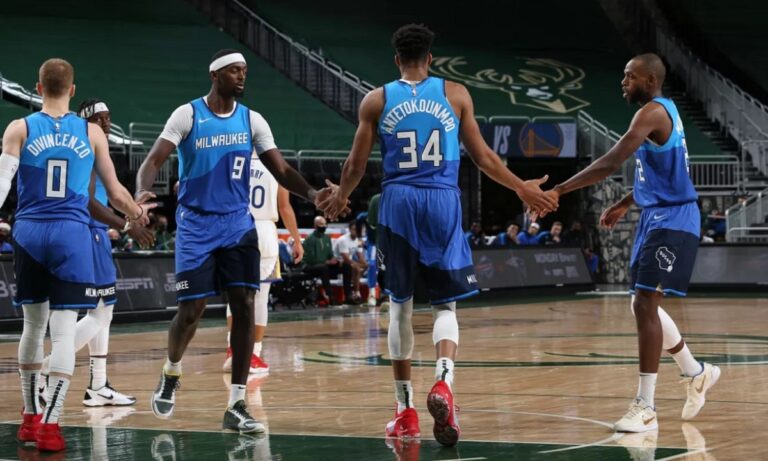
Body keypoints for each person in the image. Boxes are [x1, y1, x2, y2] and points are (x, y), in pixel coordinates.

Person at [319, 24, 556, 446]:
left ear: (397, 59)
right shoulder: (456, 94)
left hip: (398, 202)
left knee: (400, 307)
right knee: (445, 305)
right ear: (430, 58)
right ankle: (444, 383)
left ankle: (405, 412)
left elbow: (355, 166)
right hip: (443, 199)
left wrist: (341, 197)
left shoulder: (376, 100)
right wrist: (521, 187)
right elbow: (483, 157)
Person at [137, 49, 335, 433]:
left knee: (244, 305)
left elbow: (281, 169)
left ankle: (237, 403)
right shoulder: (188, 115)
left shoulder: (253, 120)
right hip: (196, 226)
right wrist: (141, 192)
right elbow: (153, 160)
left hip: (238, 225)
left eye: (244, 70)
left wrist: (313, 195)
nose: (242, 76)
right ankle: (172, 370)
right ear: (215, 75)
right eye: (234, 71)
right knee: (191, 311)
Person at [540, 53, 720, 432]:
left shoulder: (652, 113)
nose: (623, 82)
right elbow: (660, 173)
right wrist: (625, 202)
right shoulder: (658, 113)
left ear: (650, 80)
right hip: (656, 215)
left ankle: (646, 407)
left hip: (674, 218)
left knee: (644, 303)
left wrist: (559, 190)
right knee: (639, 303)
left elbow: (610, 162)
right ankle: (695, 371)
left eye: (630, 76)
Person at [3, 58, 151, 452]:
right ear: (71, 90)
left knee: (32, 327)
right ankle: (50, 427)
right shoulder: (91, 132)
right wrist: (136, 215)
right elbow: (115, 192)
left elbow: (1, 183)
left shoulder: (19, 128)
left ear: (38, 88)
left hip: (28, 232)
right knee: (64, 331)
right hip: (71, 235)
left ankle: (30, 418)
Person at [38, 98, 156, 409]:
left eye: (108, 117)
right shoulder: (87, 148)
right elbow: (89, 202)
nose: (106, 123)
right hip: (88, 231)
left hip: (81, 232)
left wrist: (133, 209)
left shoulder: (82, 147)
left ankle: (98, 385)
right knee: (101, 313)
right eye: (99, 118)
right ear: (85, 121)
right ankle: (47, 368)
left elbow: (112, 193)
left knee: (102, 310)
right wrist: (127, 224)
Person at [222, 154, 304, 374]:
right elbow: (284, 207)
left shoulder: (232, 161)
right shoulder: (276, 165)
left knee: (236, 294)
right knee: (259, 297)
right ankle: (252, 354)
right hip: (263, 231)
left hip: (234, 229)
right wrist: (296, 240)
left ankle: (233, 350)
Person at [302, 215, 345, 305]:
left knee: (346, 266)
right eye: (321, 224)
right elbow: (310, 259)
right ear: (315, 225)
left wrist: (334, 259)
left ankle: (348, 295)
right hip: (309, 266)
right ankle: (331, 297)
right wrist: (327, 262)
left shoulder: (327, 238)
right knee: (323, 268)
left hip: (324, 265)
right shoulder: (309, 239)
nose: (324, 226)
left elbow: (330, 255)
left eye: (325, 224)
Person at [334, 221, 367, 304]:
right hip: (338, 263)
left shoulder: (358, 240)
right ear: (349, 229)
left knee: (367, 265)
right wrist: (358, 265)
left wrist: (365, 264)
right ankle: (356, 293)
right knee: (356, 269)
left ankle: (357, 290)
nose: (356, 231)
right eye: (354, 229)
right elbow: (346, 259)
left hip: (349, 263)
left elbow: (361, 258)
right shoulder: (343, 240)